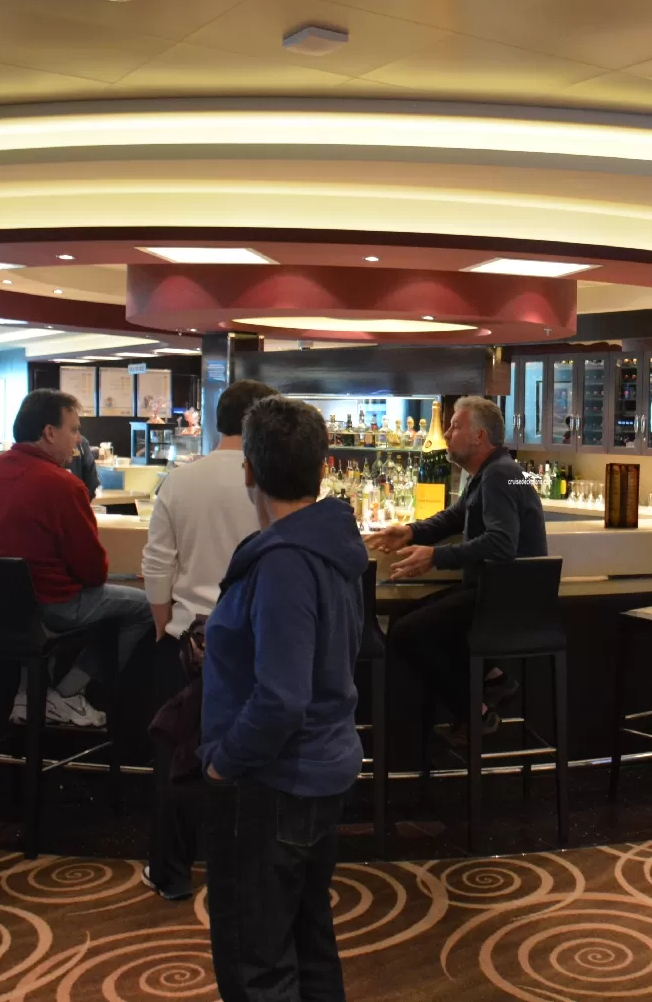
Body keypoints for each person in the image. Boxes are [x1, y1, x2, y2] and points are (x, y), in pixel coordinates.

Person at [200, 395, 364, 1002]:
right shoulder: (329, 542)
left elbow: (281, 699)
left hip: (275, 779)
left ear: (249, 469)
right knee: (307, 939)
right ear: (323, 466)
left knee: (257, 960)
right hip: (319, 766)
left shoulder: (285, 561)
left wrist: (223, 763)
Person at [139, 378, 277, 902]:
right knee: (256, 756)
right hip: (256, 638)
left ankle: (170, 870)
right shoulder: (274, 480)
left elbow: (158, 564)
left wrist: (164, 627)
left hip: (192, 640)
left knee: (179, 758)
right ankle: (251, 870)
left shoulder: (180, 480)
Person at [0, 389, 153, 727]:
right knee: (145, 607)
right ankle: (68, 694)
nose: (78, 441)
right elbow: (93, 571)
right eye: (74, 430)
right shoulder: (64, 485)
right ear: (49, 432)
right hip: (47, 606)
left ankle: (29, 692)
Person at [368, 396, 547, 740]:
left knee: (407, 632)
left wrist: (435, 557)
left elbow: (501, 543)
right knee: (409, 621)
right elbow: (456, 516)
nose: (448, 434)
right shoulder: (494, 472)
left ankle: (477, 716)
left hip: (507, 601)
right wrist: (410, 532)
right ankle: (493, 678)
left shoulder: (500, 475)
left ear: (479, 436)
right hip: (502, 594)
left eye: (455, 426)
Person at [67, 432, 99, 499]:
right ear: (50, 432)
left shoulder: (82, 444)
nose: (79, 440)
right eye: (73, 430)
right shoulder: (82, 444)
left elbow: (92, 480)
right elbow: (92, 481)